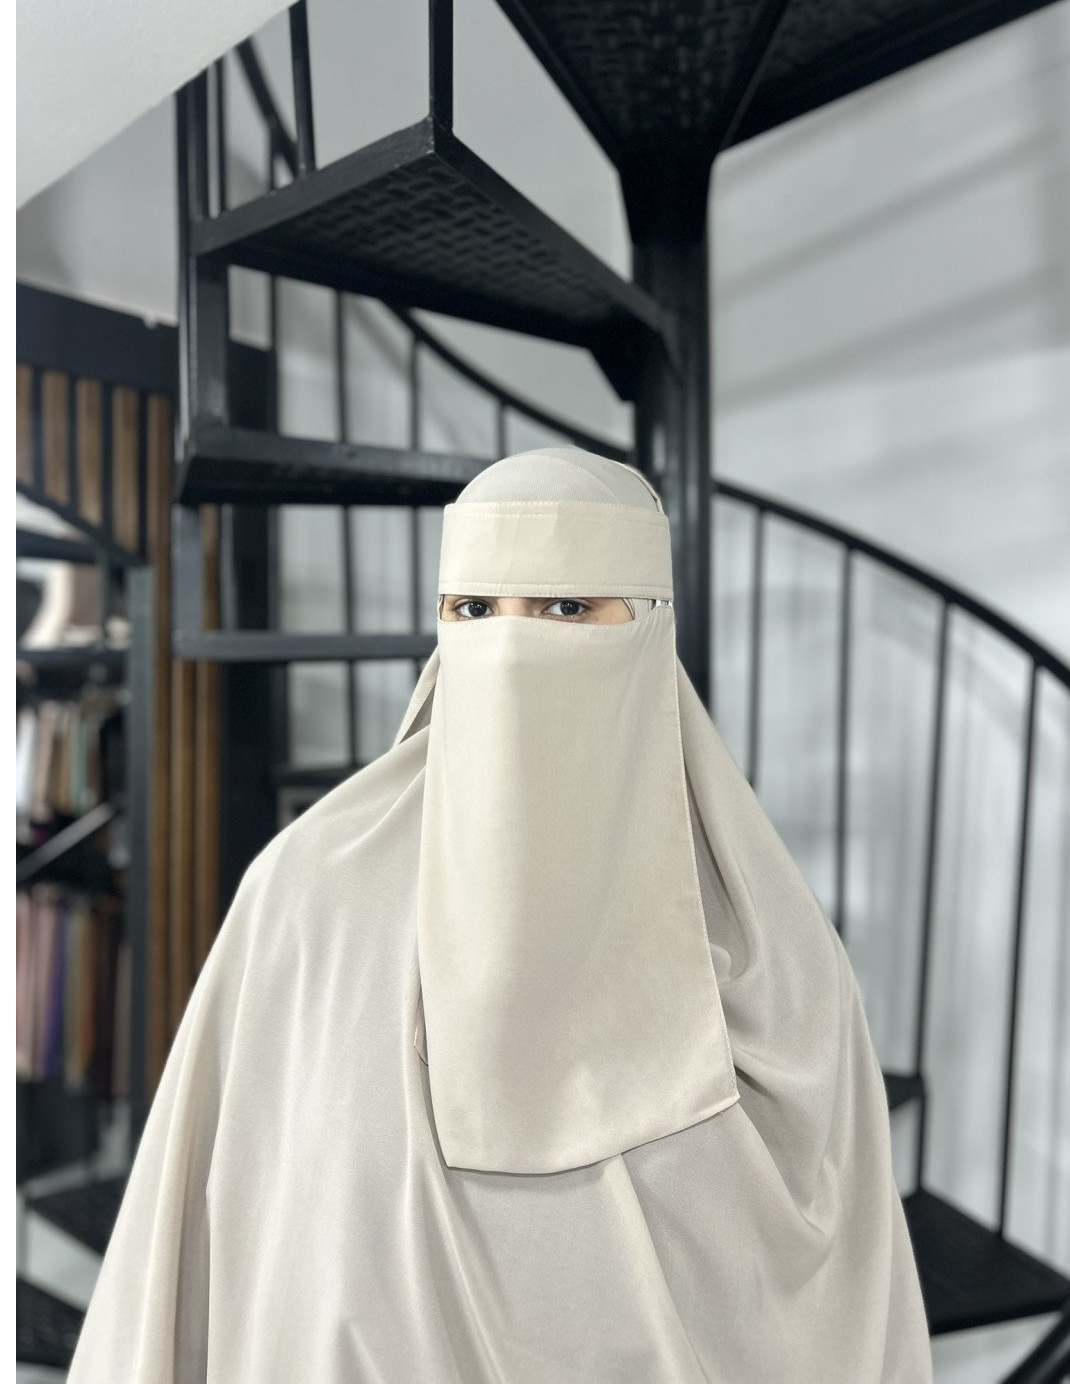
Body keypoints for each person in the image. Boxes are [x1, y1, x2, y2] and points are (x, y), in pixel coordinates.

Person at [67, 446, 934, 1382]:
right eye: (475, 610)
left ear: (651, 624)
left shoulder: (772, 949)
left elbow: (827, 1272)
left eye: (568, 608)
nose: (513, 649)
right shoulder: (309, 890)